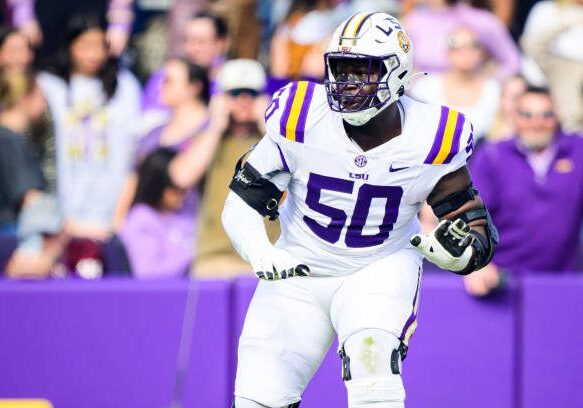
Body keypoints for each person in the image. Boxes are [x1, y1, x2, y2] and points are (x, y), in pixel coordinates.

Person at [221, 12, 498, 408]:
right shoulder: (300, 115)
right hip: (299, 266)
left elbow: (474, 226)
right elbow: (241, 200)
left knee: (373, 378)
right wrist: (259, 250)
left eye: (362, 70)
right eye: (340, 68)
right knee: (259, 398)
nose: (347, 82)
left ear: (397, 72)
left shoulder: (433, 136)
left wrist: (461, 256)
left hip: (379, 266)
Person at [465, 86, 583, 296]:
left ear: (557, 116)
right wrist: (476, 263)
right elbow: (471, 213)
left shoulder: (578, 152)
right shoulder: (492, 156)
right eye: (527, 115)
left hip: (562, 283)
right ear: (513, 116)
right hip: (502, 283)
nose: (537, 123)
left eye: (546, 115)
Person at [38, 13, 141, 242]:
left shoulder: (125, 86)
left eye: (100, 45)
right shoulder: (48, 86)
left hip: (111, 209)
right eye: (85, 45)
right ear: (70, 46)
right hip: (61, 210)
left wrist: (118, 218)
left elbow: (133, 153)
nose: (93, 54)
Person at [194, 58, 279, 278]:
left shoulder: (273, 140)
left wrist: (268, 124)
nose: (243, 100)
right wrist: (215, 126)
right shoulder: (209, 138)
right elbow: (183, 177)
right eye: (235, 93)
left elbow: (300, 169)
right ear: (220, 98)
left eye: (251, 93)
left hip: (269, 255)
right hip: (214, 258)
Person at [410, 26, 501, 144]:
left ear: (481, 52)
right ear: (447, 51)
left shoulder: (494, 90)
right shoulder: (425, 87)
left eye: (474, 45)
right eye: (456, 44)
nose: (466, 51)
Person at [119, 148, 192, 279]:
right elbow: (149, 273)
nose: (183, 192)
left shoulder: (186, 212)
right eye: (175, 187)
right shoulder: (141, 219)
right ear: (157, 184)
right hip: (165, 295)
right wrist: (196, 253)